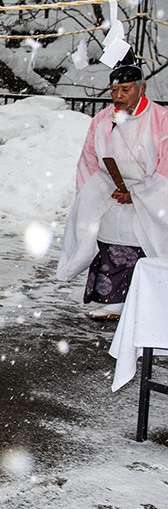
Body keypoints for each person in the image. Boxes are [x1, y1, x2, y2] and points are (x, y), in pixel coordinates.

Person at [57, 61, 168, 319]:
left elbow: (165, 165)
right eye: (114, 90)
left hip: (150, 194)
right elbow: (88, 160)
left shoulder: (161, 119)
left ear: (142, 89)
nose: (118, 96)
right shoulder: (102, 120)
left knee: (146, 244)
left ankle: (148, 302)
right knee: (109, 242)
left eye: (126, 89)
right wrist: (98, 191)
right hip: (111, 192)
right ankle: (112, 299)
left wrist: (140, 194)